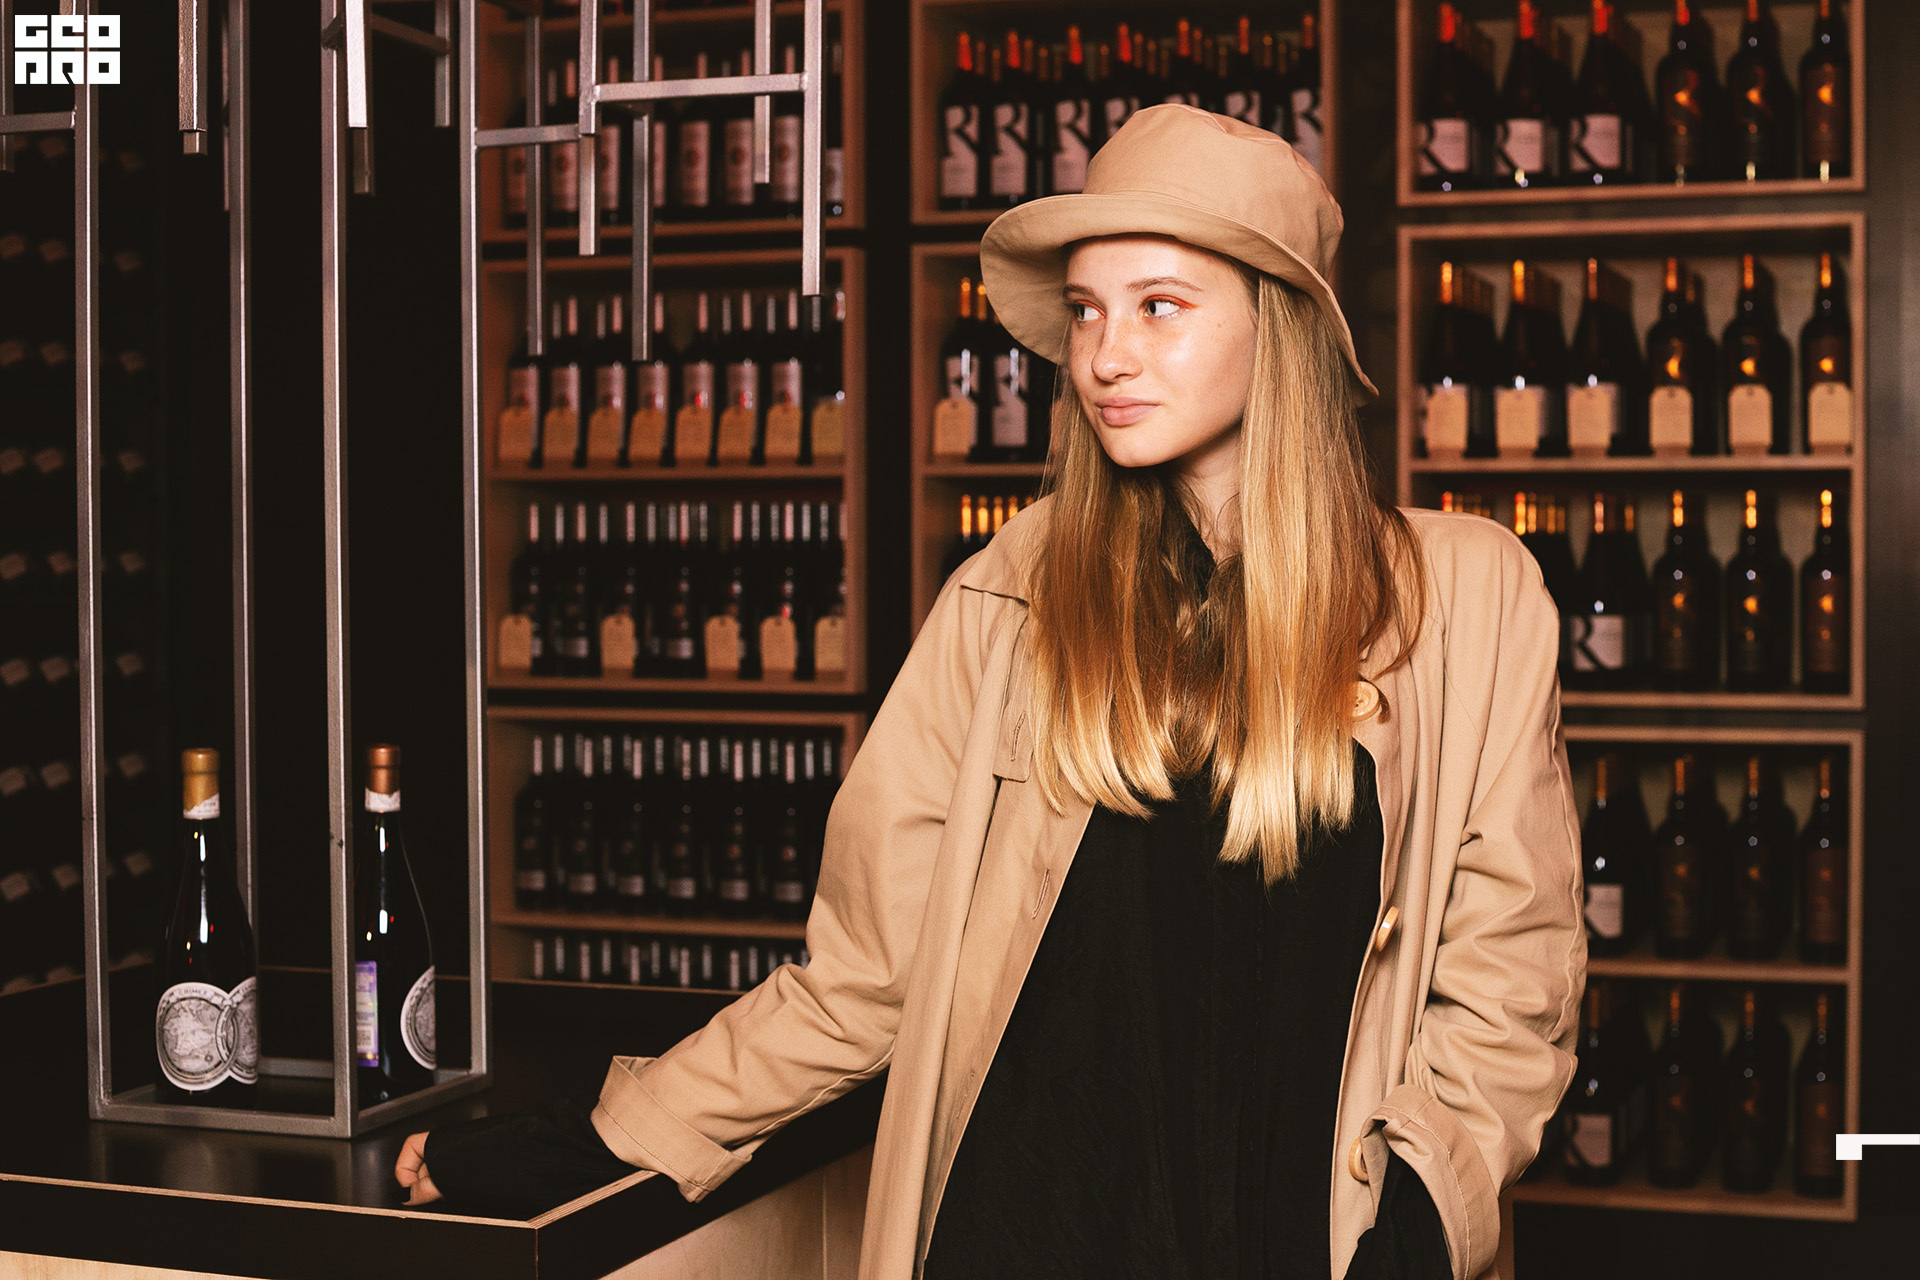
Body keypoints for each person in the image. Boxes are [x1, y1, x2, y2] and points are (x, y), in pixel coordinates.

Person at [397, 105, 1585, 1279]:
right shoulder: (1009, 592)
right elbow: (862, 974)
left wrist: (1414, 1239)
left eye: (1160, 306)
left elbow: (1510, 990)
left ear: (1279, 327)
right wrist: (592, 1139)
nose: (1105, 355)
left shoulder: (1466, 600)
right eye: (1086, 310)